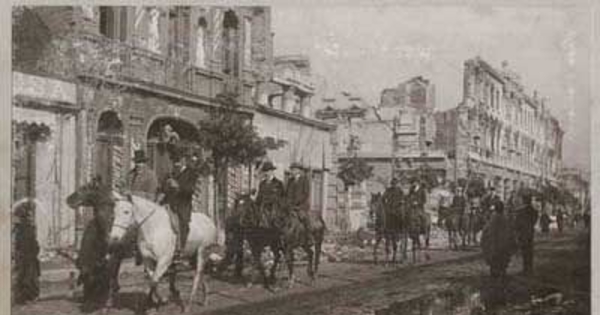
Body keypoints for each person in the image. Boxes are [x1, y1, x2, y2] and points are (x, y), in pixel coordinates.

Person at [162, 152, 201, 262]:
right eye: (175, 161)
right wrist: (166, 186)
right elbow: (162, 189)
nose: (177, 163)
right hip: (169, 204)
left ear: (184, 160)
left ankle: (181, 250)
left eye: (179, 160)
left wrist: (178, 186)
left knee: (183, 223)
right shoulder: (170, 173)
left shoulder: (191, 173)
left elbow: (191, 190)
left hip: (182, 205)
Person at [127, 150, 159, 265]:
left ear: (145, 163)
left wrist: (133, 194)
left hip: (146, 209)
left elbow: (151, 196)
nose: (138, 165)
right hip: (131, 207)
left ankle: (142, 253)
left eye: (140, 162)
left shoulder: (151, 175)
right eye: (136, 162)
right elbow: (123, 188)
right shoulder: (130, 175)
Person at [481, 195, 516, 279]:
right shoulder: (505, 218)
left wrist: (484, 241)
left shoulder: (493, 218)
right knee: (502, 263)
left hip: (495, 245)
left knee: (495, 263)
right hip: (504, 245)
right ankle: (502, 275)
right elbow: (510, 232)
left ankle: (495, 277)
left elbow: (487, 231)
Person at [13, 201, 40, 305]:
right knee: (28, 277)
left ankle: (25, 297)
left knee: (26, 277)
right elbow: (33, 244)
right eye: (29, 216)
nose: (31, 218)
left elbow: (32, 244)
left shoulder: (21, 228)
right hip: (27, 257)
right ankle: (27, 297)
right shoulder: (27, 228)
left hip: (26, 256)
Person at [285, 162, 313, 244]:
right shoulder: (290, 181)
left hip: (302, 206)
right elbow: (286, 193)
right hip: (290, 206)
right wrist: (286, 202)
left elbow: (306, 194)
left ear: (298, 171)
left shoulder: (305, 179)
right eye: (291, 169)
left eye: (293, 170)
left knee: (304, 218)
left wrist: (296, 202)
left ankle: (309, 237)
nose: (292, 171)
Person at [514, 191, 539, 275]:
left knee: (524, 250)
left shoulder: (520, 211)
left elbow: (516, 223)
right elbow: (534, 220)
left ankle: (525, 269)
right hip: (530, 232)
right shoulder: (534, 211)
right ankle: (530, 268)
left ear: (524, 200)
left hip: (523, 232)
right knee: (530, 250)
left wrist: (517, 231)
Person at [255, 161, 285, 228]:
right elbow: (259, 196)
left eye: (268, 171)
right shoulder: (262, 184)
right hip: (263, 206)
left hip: (273, 206)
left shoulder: (278, 184)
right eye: (265, 171)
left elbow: (281, 197)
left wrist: (273, 200)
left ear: (272, 171)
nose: (266, 173)